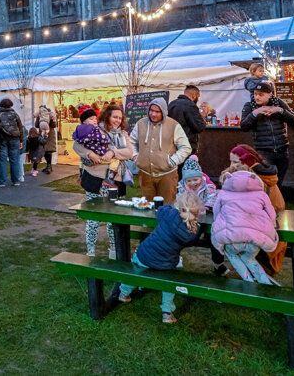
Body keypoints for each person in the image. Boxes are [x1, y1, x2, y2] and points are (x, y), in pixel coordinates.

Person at [117, 193, 204, 324]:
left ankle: (123, 293)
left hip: (145, 254)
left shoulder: (170, 214)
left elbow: (161, 210)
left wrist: (172, 208)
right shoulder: (193, 232)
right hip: (166, 263)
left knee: (136, 270)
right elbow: (193, 240)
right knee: (169, 282)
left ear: (179, 208)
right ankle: (167, 313)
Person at [74, 104, 135, 258]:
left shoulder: (123, 134)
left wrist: (113, 152)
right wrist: (89, 154)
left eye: (120, 118)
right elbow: (76, 145)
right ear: (107, 116)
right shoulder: (95, 129)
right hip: (95, 178)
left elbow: (129, 152)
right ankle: (91, 252)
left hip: (115, 180)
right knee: (93, 217)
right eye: (115, 116)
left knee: (113, 216)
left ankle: (114, 250)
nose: (118, 120)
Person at [211, 169, 280, 285]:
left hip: (232, 239)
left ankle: (248, 282)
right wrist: (272, 224)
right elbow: (271, 213)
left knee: (233, 255)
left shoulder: (223, 193)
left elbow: (216, 211)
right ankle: (264, 282)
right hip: (254, 239)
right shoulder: (261, 194)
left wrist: (220, 221)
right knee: (248, 258)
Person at [130, 97, 192, 203]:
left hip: (167, 175)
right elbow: (131, 142)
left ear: (163, 111)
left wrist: (172, 161)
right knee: (146, 208)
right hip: (145, 175)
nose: (153, 114)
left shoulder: (174, 125)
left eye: (157, 112)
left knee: (167, 207)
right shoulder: (141, 123)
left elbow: (186, 147)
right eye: (151, 110)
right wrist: (136, 157)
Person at [239, 81, 294, 182]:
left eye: (261, 94)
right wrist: (254, 113)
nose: (257, 97)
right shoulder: (250, 106)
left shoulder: (278, 103)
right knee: (267, 181)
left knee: (279, 182)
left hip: (282, 150)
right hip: (264, 152)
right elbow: (244, 127)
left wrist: (280, 110)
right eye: (255, 94)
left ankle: (277, 198)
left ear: (270, 94)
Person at [0, 98, 24, 187]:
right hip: (15, 139)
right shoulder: (15, 114)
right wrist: (21, 140)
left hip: (2, 139)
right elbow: (20, 128)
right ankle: (15, 181)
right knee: (14, 160)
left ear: (1, 105)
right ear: (11, 105)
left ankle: (1, 181)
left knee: (2, 160)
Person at [166, 85, 206, 153]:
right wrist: (202, 118)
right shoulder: (191, 105)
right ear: (194, 96)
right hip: (186, 145)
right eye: (198, 97)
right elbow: (199, 127)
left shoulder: (171, 104)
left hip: (171, 144)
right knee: (186, 164)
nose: (198, 99)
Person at [34, 104, 58, 174]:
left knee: (46, 150)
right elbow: (54, 125)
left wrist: (39, 119)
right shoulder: (51, 114)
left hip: (44, 134)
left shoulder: (40, 115)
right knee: (48, 151)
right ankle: (48, 166)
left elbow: (36, 125)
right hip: (50, 134)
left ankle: (49, 167)